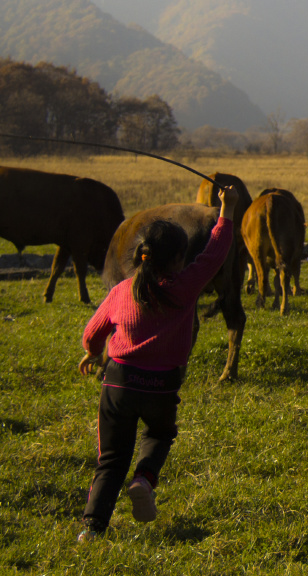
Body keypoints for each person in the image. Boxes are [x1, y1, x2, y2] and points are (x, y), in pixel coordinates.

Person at [76, 186, 238, 541]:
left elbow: (93, 331)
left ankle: (92, 528)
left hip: (118, 382)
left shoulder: (122, 291)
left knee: (110, 460)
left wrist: (91, 350)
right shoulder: (185, 287)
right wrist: (225, 211)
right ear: (179, 259)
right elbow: (213, 254)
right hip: (162, 385)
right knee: (160, 433)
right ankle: (144, 479)